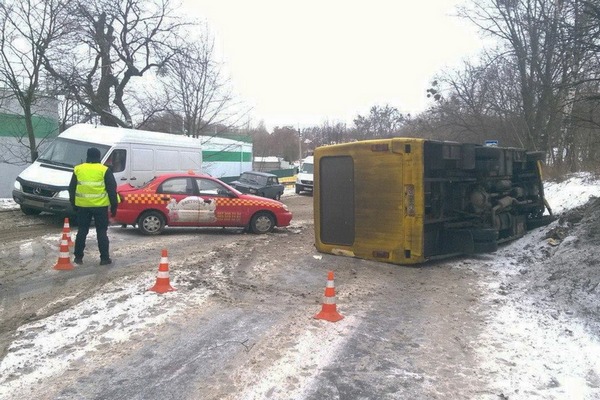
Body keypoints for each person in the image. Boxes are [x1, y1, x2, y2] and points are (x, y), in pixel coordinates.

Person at [69, 147, 118, 265]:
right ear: (99, 157)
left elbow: (71, 188)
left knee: (82, 231)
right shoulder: (104, 170)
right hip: (100, 207)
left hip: (83, 206)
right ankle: (104, 258)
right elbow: (112, 190)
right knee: (101, 231)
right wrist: (114, 207)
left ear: (87, 156)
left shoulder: (78, 169)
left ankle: (78, 257)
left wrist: (74, 204)